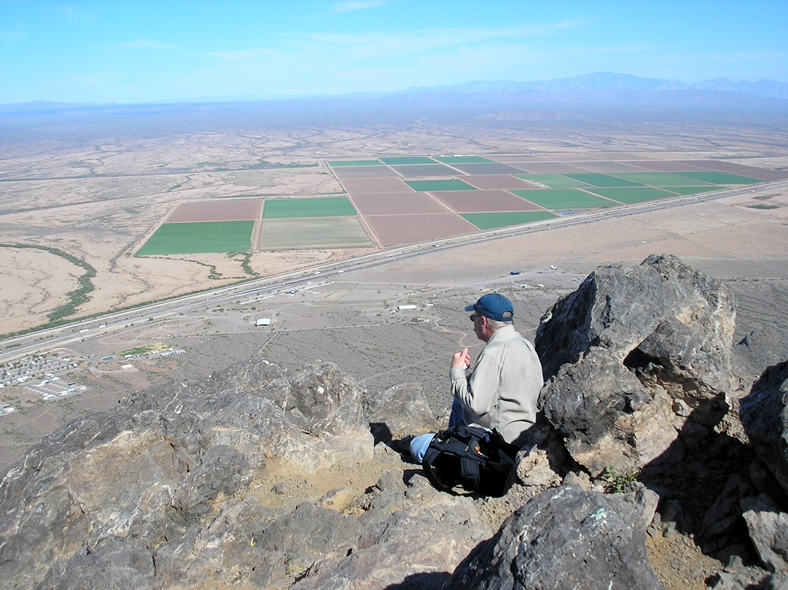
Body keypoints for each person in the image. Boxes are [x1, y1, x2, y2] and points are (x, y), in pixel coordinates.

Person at [410, 293, 543, 462]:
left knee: (417, 445)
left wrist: (456, 371)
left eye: (474, 318)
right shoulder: (525, 345)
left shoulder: (493, 353)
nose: (473, 323)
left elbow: (476, 406)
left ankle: (455, 449)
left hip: (500, 445)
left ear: (483, 321)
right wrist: (467, 375)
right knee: (458, 403)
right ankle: (454, 440)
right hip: (526, 437)